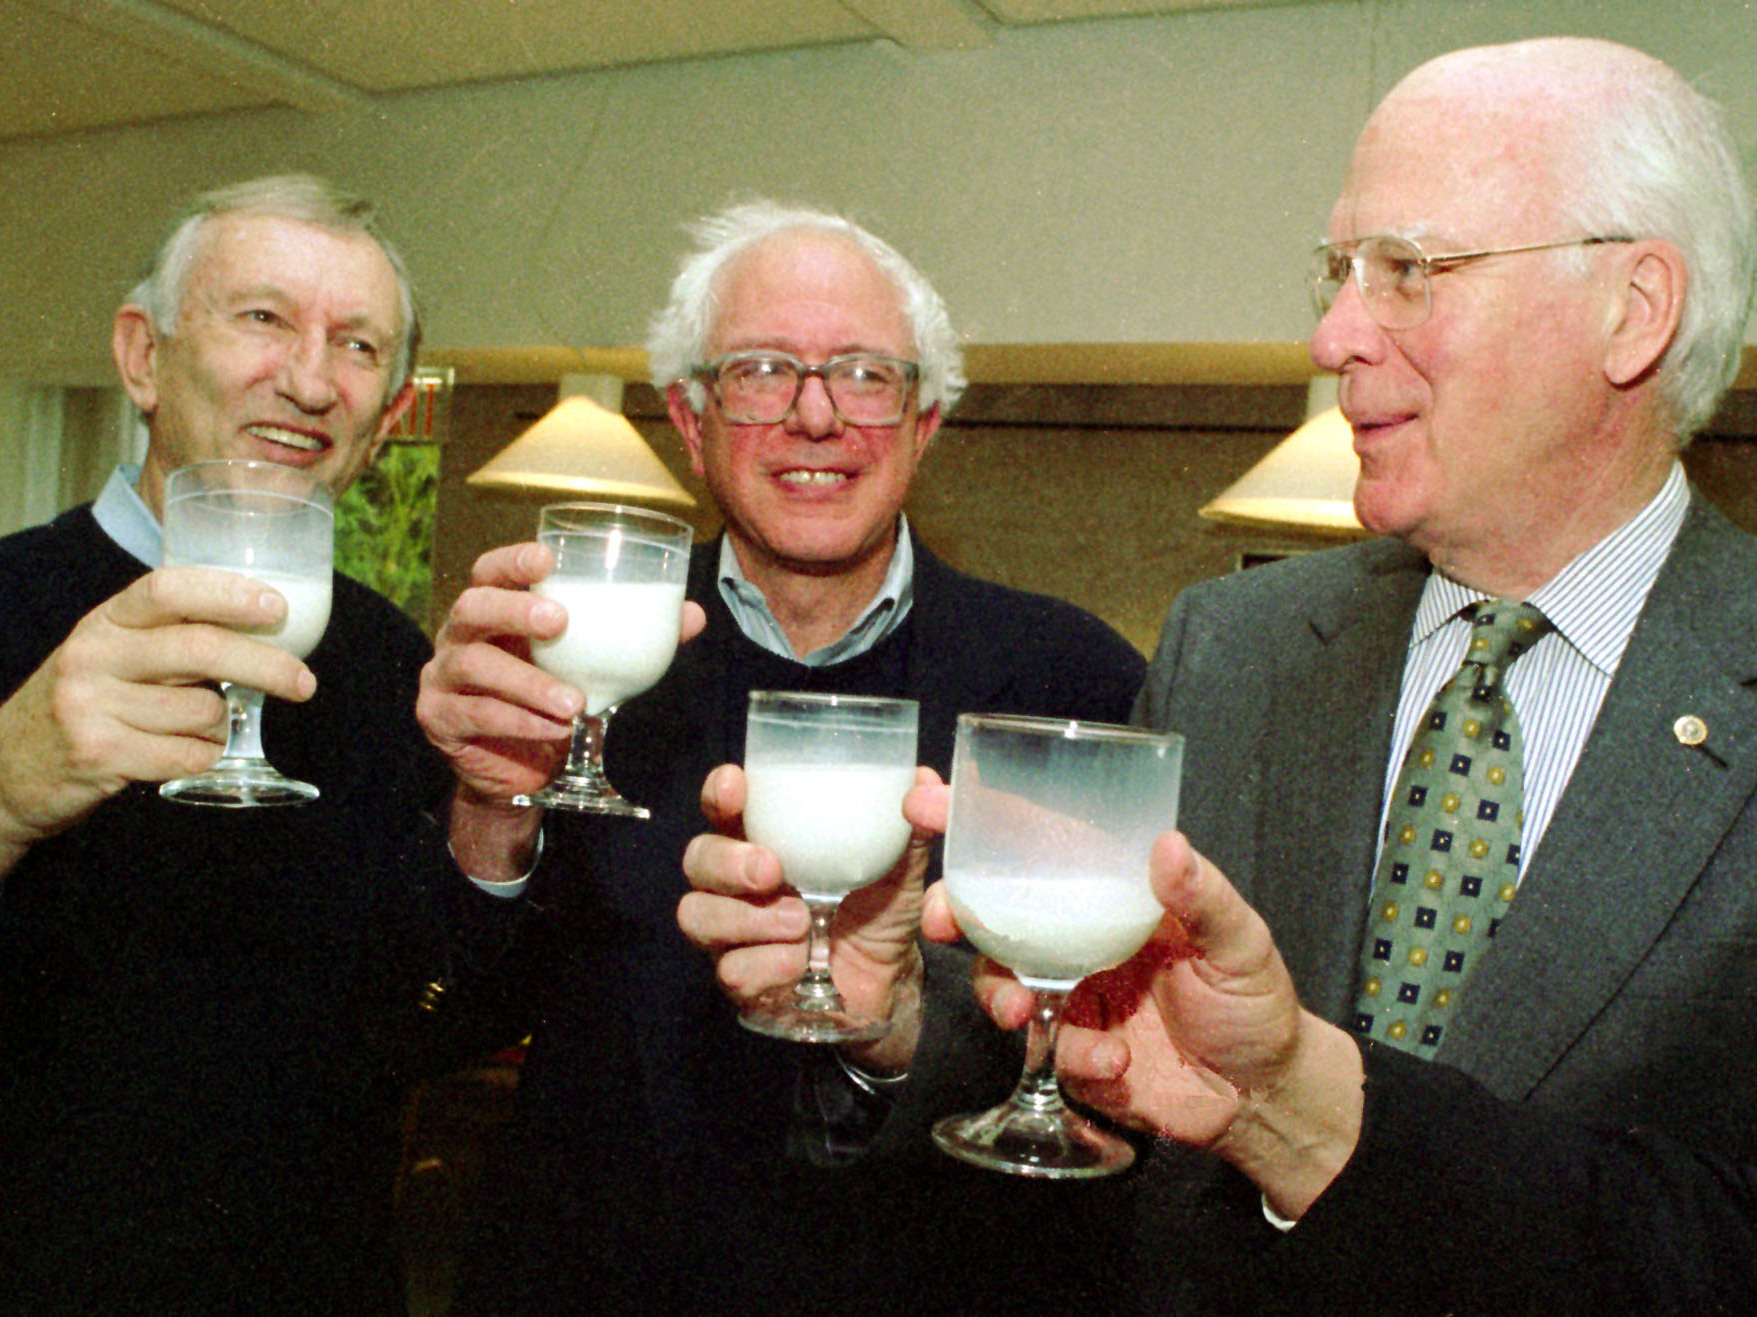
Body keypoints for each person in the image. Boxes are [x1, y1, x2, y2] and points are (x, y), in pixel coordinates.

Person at [683, 37, 1757, 1314]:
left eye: (1406, 271)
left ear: (1631, 310)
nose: (1332, 333)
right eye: (1338, 273)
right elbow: (1091, 1067)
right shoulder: (1231, 649)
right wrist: (897, 1014)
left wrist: (1310, 1117)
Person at [428, 200, 1146, 1313]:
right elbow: (451, 1022)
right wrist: (488, 815)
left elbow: (1119, 1074)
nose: (817, 418)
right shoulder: (567, 658)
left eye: (864, 376)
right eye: (763, 371)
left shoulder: (1069, 684)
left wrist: (903, 1029)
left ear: (922, 422)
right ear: (689, 415)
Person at [0, 174, 534, 1314]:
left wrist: (491, 823)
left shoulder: (398, 664)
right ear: (142, 358)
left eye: (356, 346)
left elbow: (427, 1027)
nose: (307, 379)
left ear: (389, 418)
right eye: (263, 318)